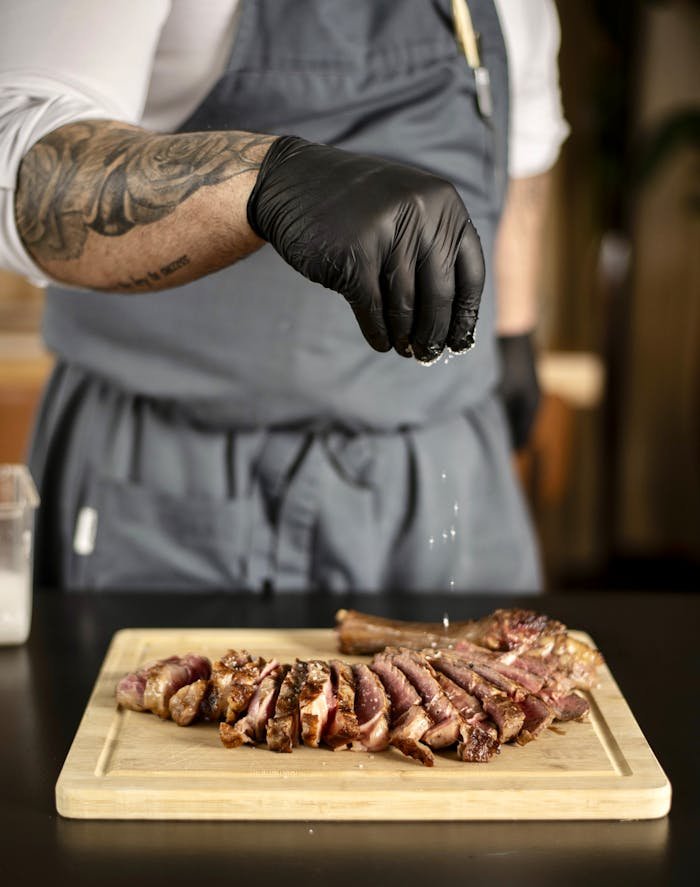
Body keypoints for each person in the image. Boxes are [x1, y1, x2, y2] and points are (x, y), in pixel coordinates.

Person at [0, 0, 568, 592]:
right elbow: (22, 163)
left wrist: (514, 332)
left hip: (444, 464)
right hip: (172, 476)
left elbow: (525, 147)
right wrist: (266, 181)